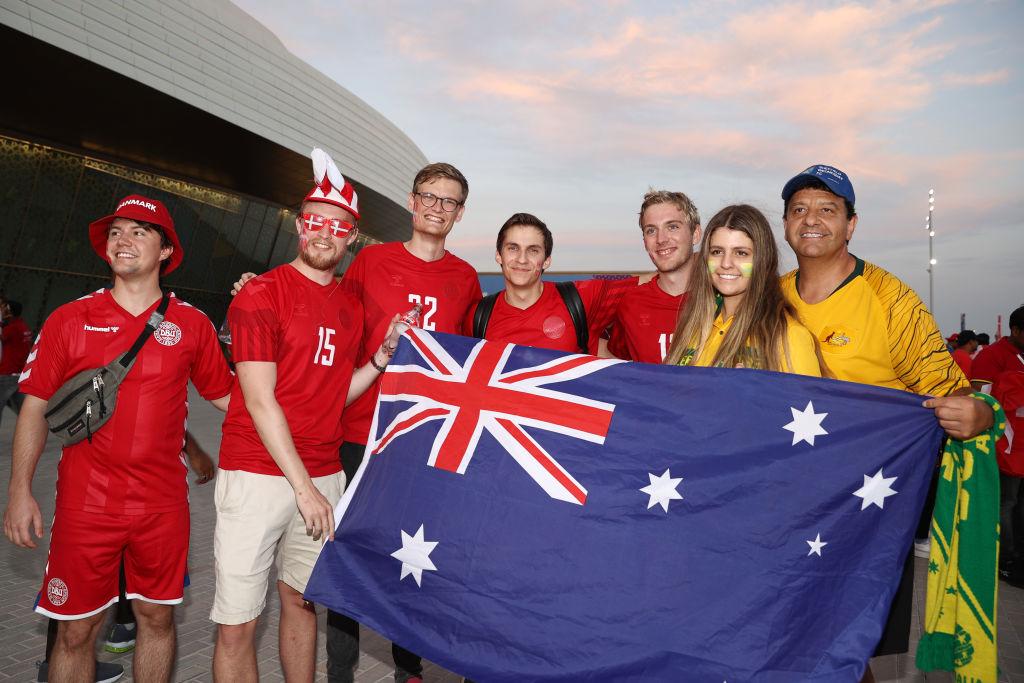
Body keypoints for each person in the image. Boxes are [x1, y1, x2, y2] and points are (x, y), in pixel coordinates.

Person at [3, 194, 234, 683]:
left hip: (162, 505)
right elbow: (35, 406)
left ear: (166, 250)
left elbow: (228, 398)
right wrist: (20, 491)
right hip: (86, 503)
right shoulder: (70, 318)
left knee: (157, 618)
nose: (122, 240)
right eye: (115, 232)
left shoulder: (191, 323)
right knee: (74, 632)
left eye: (139, 231)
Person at [776, 163, 993, 682]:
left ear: (851, 224)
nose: (812, 221)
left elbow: (954, 395)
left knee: (847, 648)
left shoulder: (891, 299)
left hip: (864, 507)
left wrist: (979, 414)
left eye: (828, 210)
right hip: (786, 504)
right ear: (784, 224)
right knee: (786, 634)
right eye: (799, 210)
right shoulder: (768, 296)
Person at [211, 149, 398, 682]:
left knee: (303, 602)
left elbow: (335, 395)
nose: (326, 234)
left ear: (351, 239)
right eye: (317, 221)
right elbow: (260, 399)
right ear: (299, 225)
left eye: (339, 228)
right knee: (237, 624)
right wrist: (305, 489)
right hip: (258, 475)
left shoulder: (349, 305)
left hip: (322, 474)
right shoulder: (259, 296)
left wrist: (380, 358)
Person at [664, 204, 820, 375]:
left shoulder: (789, 337)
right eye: (717, 252)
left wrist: (755, 395)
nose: (726, 263)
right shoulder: (692, 328)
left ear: (762, 260)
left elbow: (807, 401)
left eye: (741, 253)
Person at [468, 212, 634, 352]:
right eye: (513, 248)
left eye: (533, 250)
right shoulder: (478, 317)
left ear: (546, 260)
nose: (522, 259)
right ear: (499, 255)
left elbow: (652, 284)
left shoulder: (578, 298)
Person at [604, 190, 701, 363]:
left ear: (695, 234)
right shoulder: (632, 304)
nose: (661, 239)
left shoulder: (720, 299)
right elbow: (617, 364)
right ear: (644, 242)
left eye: (672, 227)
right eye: (651, 230)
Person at [970, 305, 1024, 583]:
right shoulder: (992, 357)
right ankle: (1005, 558)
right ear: (1015, 330)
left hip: (1022, 448)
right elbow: (980, 403)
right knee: (1006, 502)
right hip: (1003, 448)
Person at [0, 296, 32, 425]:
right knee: (22, 410)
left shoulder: (12, 329)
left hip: (6, 374)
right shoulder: (23, 326)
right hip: (18, 373)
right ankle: (30, 430)